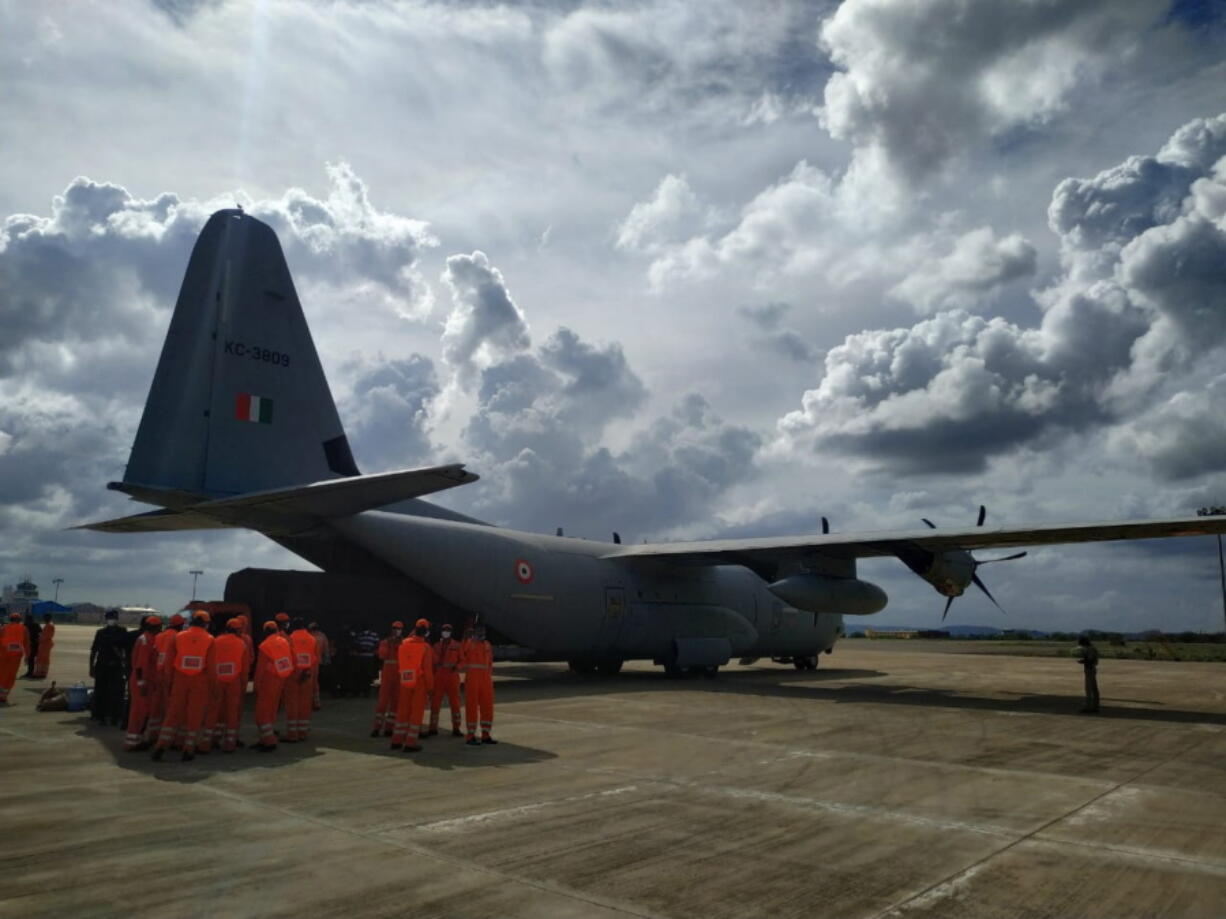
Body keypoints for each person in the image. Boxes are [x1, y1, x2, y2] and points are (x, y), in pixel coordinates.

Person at [152, 611, 215, 761]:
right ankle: (189, 749)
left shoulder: (178, 637)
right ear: (206, 624)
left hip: (179, 679)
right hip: (199, 680)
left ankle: (161, 746)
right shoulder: (210, 639)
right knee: (195, 715)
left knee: (172, 714)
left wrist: (169, 680)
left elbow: (168, 662)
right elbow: (211, 667)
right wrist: (214, 686)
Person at [390, 618, 434, 752]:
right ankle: (410, 743)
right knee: (416, 713)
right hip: (419, 682)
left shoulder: (403, 643)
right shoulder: (425, 647)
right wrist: (430, 688)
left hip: (405, 679)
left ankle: (396, 740)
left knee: (402, 711)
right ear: (426, 632)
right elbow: (427, 670)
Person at [211, 618, 250, 752]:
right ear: (238, 629)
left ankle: (210, 740)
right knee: (232, 712)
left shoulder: (215, 641)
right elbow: (245, 668)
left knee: (215, 711)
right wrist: (244, 683)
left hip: (218, 680)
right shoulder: (242, 644)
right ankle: (230, 743)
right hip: (234, 681)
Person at [253, 621, 293, 752]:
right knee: (272, 709)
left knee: (262, 712)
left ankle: (269, 740)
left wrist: (256, 686)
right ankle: (265, 738)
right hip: (280, 679)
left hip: (268, 681)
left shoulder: (264, 646)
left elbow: (260, 669)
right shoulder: (284, 642)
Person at [124, 616, 162, 751]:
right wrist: (141, 683)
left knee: (143, 712)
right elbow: (141, 665)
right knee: (138, 713)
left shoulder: (148, 639)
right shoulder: (146, 641)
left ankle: (137, 739)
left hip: (145, 681)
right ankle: (132, 743)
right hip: (142, 682)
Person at [148, 613, 185, 745]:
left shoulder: (159, 636)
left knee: (156, 706)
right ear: (180, 625)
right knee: (171, 707)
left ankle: (153, 733)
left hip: (158, 674)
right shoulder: (177, 637)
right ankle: (170, 737)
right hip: (170, 674)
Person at [90, 609, 129, 726]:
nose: (112, 620)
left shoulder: (122, 631)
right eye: (110, 617)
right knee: (101, 692)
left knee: (116, 692)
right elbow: (94, 651)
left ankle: (115, 716)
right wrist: (91, 667)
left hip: (116, 666)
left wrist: (124, 664)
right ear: (107, 619)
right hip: (102, 666)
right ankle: (100, 716)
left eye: (114, 617)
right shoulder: (101, 633)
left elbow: (126, 649)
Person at [461, 623, 497, 745]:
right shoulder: (468, 644)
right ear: (474, 631)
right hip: (473, 679)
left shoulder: (487, 645)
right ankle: (470, 735)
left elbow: (490, 662)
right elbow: (461, 657)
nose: (482, 632)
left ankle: (485, 734)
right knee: (471, 706)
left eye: (483, 630)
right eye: (479, 630)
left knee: (487, 706)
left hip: (486, 679)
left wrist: (489, 676)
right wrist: (465, 639)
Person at [285, 618, 318, 742]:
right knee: (305, 703)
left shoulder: (289, 639)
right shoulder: (312, 639)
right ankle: (303, 732)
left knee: (292, 704)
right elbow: (315, 658)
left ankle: (292, 734)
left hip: (292, 675)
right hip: (307, 674)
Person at [428, 622, 463, 737]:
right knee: (435, 702)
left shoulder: (457, 645)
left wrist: (457, 667)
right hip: (439, 676)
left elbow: (462, 660)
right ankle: (433, 727)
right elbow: (432, 662)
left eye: (448, 630)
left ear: (451, 632)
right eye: (444, 630)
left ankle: (456, 728)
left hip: (452, 676)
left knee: (455, 703)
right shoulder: (436, 646)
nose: (445, 632)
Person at [371, 620, 404, 737]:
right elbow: (382, 655)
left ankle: (389, 728)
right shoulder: (385, 642)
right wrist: (391, 644)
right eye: (395, 628)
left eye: (399, 629)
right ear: (391, 629)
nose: (397, 631)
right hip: (388, 673)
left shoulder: (404, 643)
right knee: (383, 702)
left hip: (398, 674)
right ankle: (377, 727)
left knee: (395, 702)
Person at [0, 611, 28, 705]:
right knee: (10, 676)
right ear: (19, 620)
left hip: (4, 655)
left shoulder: (4, 628)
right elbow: (27, 643)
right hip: (15, 657)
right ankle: (3, 697)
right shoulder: (24, 629)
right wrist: (27, 656)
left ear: (10, 619)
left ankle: (2, 695)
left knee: (2, 674)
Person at [354, 623, 380, 697]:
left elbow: (377, 644)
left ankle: (367, 691)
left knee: (368, 674)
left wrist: (369, 649)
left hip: (369, 657)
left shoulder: (373, 635)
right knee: (362, 674)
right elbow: (357, 645)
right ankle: (363, 690)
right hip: (362, 657)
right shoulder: (360, 635)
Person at [1076, 635, 1100, 713]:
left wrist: (1082, 661)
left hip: (1089, 669)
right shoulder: (1092, 648)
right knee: (1094, 689)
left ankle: (1088, 707)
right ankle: (1095, 706)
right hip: (1092, 669)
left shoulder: (1089, 649)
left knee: (1088, 689)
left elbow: (1090, 660)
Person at [309, 621, 330, 711]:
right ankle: (316, 703)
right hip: (318, 662)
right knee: (315, 683)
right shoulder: (322, 636)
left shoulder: (309, 637)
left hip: (308, 662)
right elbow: (326, 650)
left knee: (308, 683)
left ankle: (309, 703)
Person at [32, 613, 55, 679]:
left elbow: (48, 635)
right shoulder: (48, 625)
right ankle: (42, 672)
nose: (44, 619)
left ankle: (39, 673)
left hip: (46, 644)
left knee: (42, 659)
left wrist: (40, 638)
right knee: (43, 659)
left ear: (48, 618)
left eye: (45, 618)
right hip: (44, 643)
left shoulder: (49, 625)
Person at [23, 613, 41, 678]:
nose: (26, 620)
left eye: (27, 619)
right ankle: (30, 672)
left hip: (34, 644)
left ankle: (32, 672)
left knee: (31, 658)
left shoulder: (35, 624)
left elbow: (40, 633)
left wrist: (37, 640)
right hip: (29, 644)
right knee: (30, 658)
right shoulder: (26, 625)